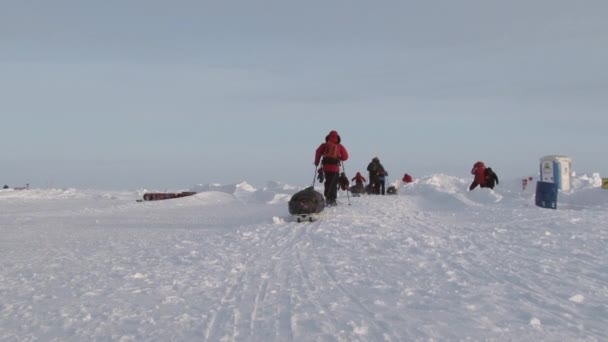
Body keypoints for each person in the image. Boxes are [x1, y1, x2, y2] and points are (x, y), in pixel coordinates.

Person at [314, 130, 349, 206]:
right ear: (337, 137)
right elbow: (346, 157)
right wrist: (340, 158)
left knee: (328, 182)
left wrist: (316, 162)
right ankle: (332, 200)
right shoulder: (339, 146)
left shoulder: (324, 145)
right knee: (333, 183)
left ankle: (327, 197)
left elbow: (318, 152)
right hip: (335, 167)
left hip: (326, 167)